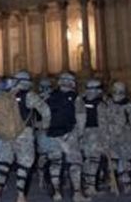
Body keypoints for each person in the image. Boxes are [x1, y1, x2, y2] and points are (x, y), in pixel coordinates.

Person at [0, 71, 50, 202]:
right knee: (24, 165)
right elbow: (45, 110)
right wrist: (44, 125)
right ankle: (20, 196)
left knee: (4, 164)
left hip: (7, 135)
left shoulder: (5, 95)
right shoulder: (29, 96)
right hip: (24, 135)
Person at [44, 72, 88, 202]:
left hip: (52, 135)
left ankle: (57, 193)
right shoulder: (76, 98)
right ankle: (77, 194)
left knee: (55, 164)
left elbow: (43, 117)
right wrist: (78, 135)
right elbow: (81, 119)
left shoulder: (49, 97)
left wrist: (50, 132)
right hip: (70, 134)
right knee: (75, 164)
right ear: (72, 83)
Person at [106, 81, 131, 194]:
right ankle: (113, 183)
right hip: (111, 137)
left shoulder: (129, 106)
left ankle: (126, 184)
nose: (118, 93)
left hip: (125, 137)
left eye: (120, 91)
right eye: (116, 90)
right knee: (113, 162)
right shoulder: (108, 104)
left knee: (126, 162)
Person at [79, 79, 108, 198]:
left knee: (87, 160)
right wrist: (106, 139)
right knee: (93, 160)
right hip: (95, 134)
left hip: (83, 134)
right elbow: (104, 122)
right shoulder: (100, 103)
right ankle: (90, 187)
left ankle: (88, 185)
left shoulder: (80, 101)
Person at [35, 77, 53, 191]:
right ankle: (44, 178)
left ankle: (42, 178)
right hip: (46, 130)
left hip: (42, 130)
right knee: (48, 156)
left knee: (44, 156)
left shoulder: (36, 100)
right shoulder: (40, 100)